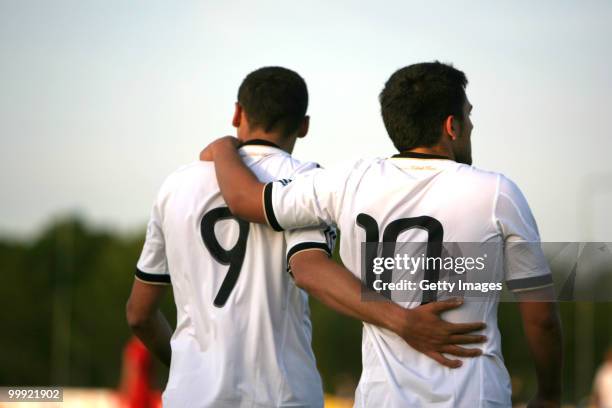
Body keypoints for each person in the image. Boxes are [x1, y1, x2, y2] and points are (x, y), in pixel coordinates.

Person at [202, 61, 563, 407]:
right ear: (451, 125)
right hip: (474, 394)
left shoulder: (350, 181)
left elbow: (243, 200)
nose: (471, 127)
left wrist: (222, 146)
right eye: (469, 116)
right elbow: (541, 317)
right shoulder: (498, 193)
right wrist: (548, 393)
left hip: (382, 397)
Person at [126, 66, 486, 407]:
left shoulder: (175, 186)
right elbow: (309, 270)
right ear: (304, 126)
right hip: (282, 394)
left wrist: (190, 370)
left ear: (237, 114)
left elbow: (139, 314)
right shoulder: (305, 181)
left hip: (191, 395)